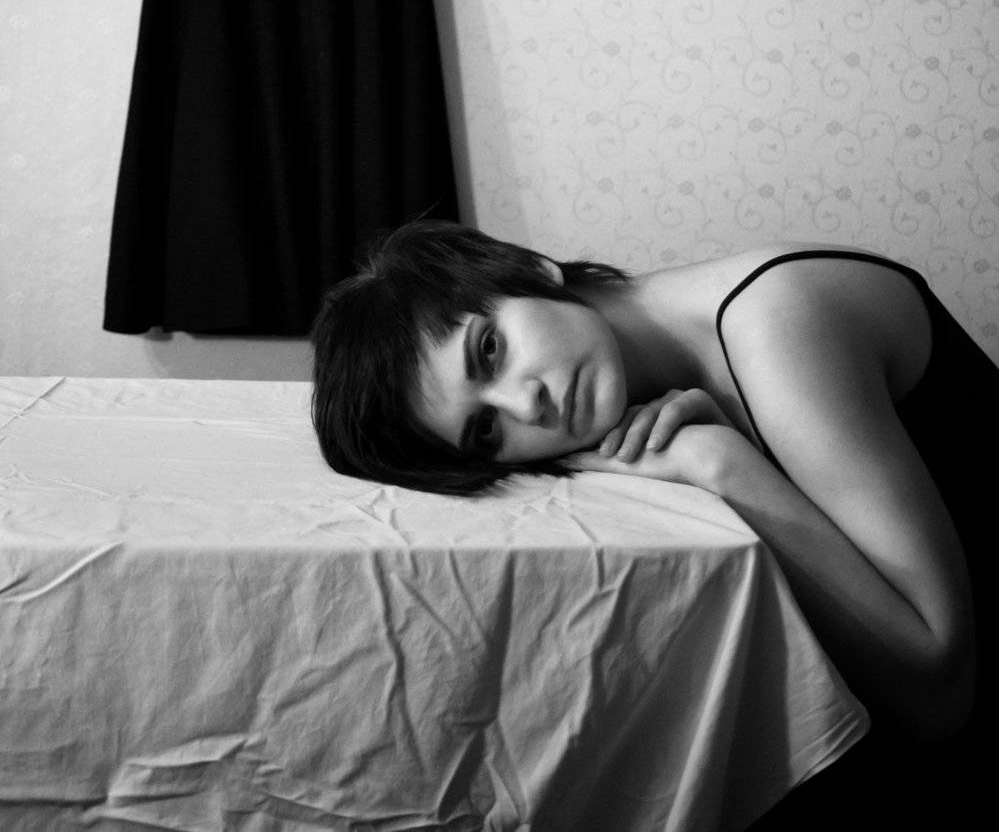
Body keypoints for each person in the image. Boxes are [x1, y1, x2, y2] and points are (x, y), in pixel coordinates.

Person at [310, 217, 995, 827]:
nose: (526, 405)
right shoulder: (645, 385)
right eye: (485, 430)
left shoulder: (776, 322)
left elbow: (940, 692)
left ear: (531, 270)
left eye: (489, 349)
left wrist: (722, 463)